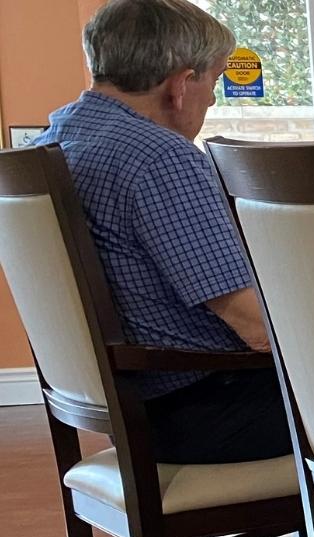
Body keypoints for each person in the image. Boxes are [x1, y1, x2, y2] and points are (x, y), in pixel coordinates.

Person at [35, 0, 290, 464]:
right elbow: (255, 327)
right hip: (202, 411)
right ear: (181, 85)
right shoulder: (158, 158)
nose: (212, 99)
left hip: (131, 408)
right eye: (212, 80)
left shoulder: (51, 139)